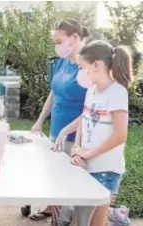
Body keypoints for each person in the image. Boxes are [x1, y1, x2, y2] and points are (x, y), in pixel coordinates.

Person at [28, 19, 90, 223]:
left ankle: (63, 219)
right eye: (54, 41)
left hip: (76, 137)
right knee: (54, 175)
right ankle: (52, 209)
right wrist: (40, 121)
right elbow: (53, 93)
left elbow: (94, 106)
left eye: (59, 41)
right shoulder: (61, 62)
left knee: (69, 184)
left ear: (75, 38)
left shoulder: (89, 66)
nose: (56, 45)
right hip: (56, 131)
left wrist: (71, 132)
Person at [70, 40, 133, 226]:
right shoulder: (91, 90)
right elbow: (85, 118)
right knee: (82, 219)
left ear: (96, 65)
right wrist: (77, 148)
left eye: (82, 68)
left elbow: (121, 135)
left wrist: (88, 154)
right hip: (88, 164)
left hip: (106, 169)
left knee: (96, 222)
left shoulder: (117, 93)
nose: (80, 73)